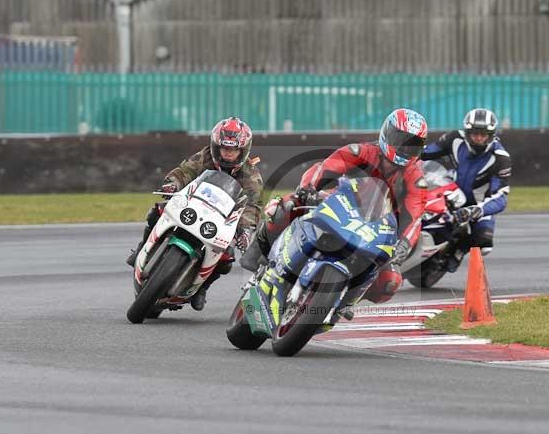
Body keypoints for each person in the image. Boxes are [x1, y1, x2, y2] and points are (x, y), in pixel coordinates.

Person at [241, 108, 428, 304]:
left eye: (412, 145)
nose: (404, 148)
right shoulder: (361, 152)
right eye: (400, 140)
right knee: (289, 204)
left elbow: (414, 217)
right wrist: (308, 189)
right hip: (339, 206)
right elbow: (325, 168)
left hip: (375, 231)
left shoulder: (415, 179)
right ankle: (260, 252)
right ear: (387, 133)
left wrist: (403, 244)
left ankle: (343, 303)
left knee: (391, 281)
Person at [126, 116, 264, 310]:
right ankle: (142, 248)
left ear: (243, 150)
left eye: (233, 150)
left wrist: (245, 229)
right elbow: (184, 172)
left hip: (219, 221)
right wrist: (172, 184)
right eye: (224, 148)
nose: (228, 153)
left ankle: (201, 288)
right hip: (193, 206)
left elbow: (253, 206)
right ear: (215, 146)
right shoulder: (205, 156)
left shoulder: (251, 176)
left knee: (227, 256)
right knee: (157, 211)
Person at [420, 108, 511, 271]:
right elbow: (427, 152)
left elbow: (500, 197)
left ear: (492, 135)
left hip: (479, 204)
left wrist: (477, 210)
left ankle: (459, 249)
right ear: (467, 132)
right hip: (453, 192)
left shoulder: (500, 158)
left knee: (484, 243)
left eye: (484, 134)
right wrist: (405, 154)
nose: (479, 138)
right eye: (475, 133)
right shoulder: (454, 138)